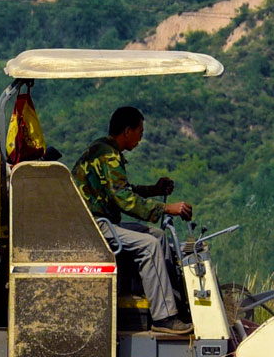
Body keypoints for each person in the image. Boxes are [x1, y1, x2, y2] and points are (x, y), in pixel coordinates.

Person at [73, 104, 194, 329]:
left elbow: (121, 190)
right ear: (127, 131)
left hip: (102, 222)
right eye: (140, 132)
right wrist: (166, 208)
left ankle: (171, 301)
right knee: (149, 245)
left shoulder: (105, 150)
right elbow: (124, 200)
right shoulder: (108, 155)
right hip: (93, 226)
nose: (140, 138)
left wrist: (153, 190)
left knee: (157, 235)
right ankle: (164, 317)